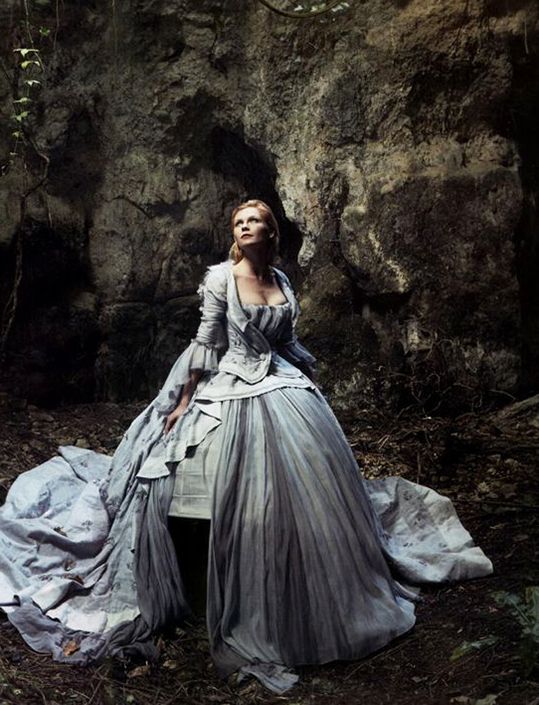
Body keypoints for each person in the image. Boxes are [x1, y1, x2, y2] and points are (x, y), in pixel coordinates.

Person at [0, 199, 493, 693]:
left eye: (254, 220)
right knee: (211, 475)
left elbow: (286, 341)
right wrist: (183, 401)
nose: (245, 226)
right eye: (238, 222)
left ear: (271, 231)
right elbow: (207, 342)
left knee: (310, 475)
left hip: (280, 380)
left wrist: (305, 377)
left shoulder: (282, 281)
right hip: (229, 381)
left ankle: (317, 582)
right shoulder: (221, 279)